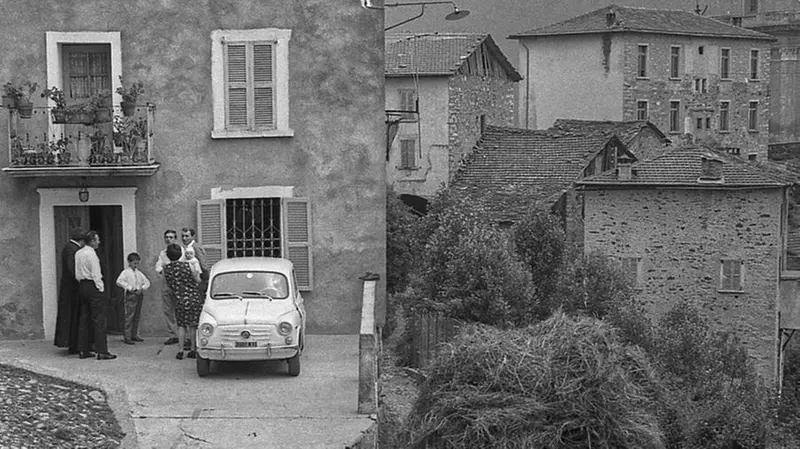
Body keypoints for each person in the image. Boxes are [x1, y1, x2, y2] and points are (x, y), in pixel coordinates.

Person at [76, 231, 116, 360]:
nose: (99, 242)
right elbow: (96, 273)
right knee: (99, 320)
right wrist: (101, 288)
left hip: (82, 285)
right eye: (97, 240)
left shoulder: (79, 253)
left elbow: (77, 273)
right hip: (93, 286)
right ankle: (101, 351)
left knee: (84, 318)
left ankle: (83, 349)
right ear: (92, 241)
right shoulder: (91, 254)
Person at [162, 243, 202, 360]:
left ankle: (180, 351)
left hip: (179, 299)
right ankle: (193, 350)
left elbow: (168, 285)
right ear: (181, 254)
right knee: (193, 325)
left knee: (181, 325)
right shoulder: (188, 265)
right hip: (193, 297)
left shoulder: (166, 269)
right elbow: (197, 280)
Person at [54, 228, 86, 354]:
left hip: (69, 288)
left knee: (72, 315)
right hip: (71, 289)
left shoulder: (69, 247)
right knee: (72, 315)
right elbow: (72, 268)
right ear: (81, 240)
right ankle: (72, 343)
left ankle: (73, 343)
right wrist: (81, 279)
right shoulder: (72, 249)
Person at [155, 229, 184, 345]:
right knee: (168, 310)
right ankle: (173, 335)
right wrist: (163, 271)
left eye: (171, 237)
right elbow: (158, 266)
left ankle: (184, 336)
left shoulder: (182, 251)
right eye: (167, 237)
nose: (169, 239)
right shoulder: (163, 253)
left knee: (181, 309)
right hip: (167, 283)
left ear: (175, 238)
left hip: (179, 283)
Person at [116, 252, 151, 345]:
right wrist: (129, 288)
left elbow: (147, 282)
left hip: (139, 294)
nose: (136, 265)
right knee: (129, 315)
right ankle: (127, 336)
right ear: (129, 262)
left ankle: (134, 334)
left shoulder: (139, 273)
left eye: (137, 263)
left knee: (136, 315)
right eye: (134, 263)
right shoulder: (126, 272)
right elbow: (119, 281)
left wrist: (142, 288)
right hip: (131, 294)